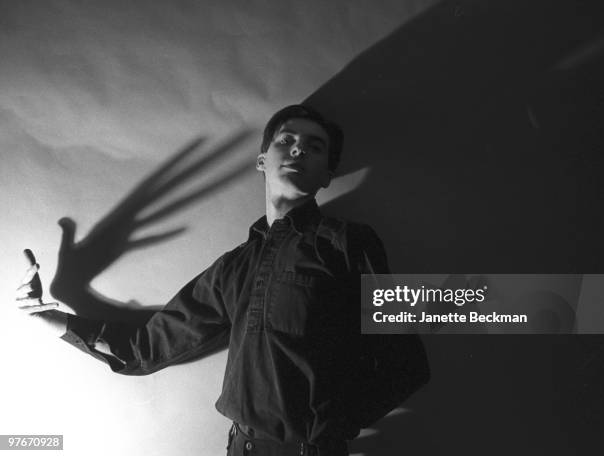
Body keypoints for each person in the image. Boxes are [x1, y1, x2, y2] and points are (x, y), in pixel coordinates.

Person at [15, 105, 430, 456]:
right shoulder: (234, 268)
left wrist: (329, 430)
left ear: (327, 174)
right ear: (261, 160)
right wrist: (53, 317)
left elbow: (407, 364)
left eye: (315, 146)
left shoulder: (347, 242)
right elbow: (146, 349)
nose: (299, 147)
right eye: (286, 140)